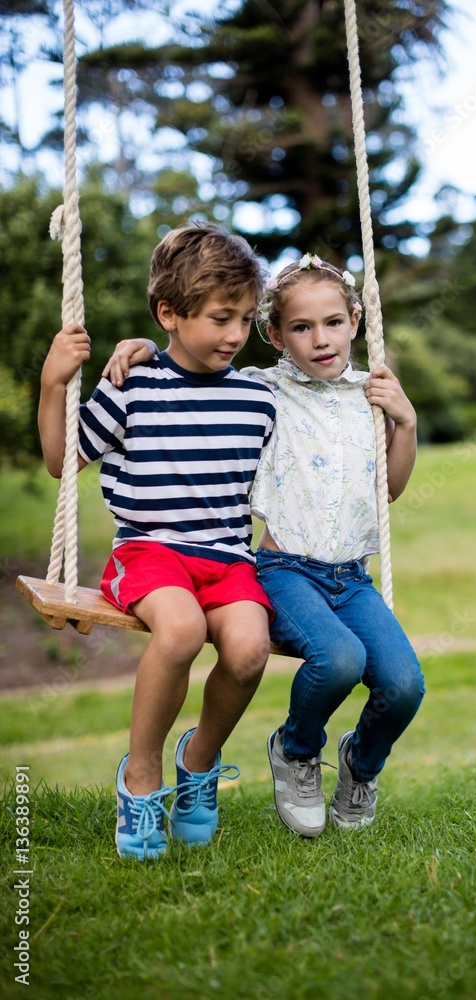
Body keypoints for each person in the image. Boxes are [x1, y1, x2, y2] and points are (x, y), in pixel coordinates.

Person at [105, 252, 425, 839]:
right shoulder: (261, 389)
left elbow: (391, 490)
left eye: (333, 323)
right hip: (283, 568)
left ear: (355, 320)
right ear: (274, 335)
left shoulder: (372, 395)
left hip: (352, 576)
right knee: (340, 661)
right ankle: (297, 752)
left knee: (405, 685)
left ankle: (361, 764)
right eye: (300, 328)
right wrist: (141, 347)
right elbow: (195, 369)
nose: (320, 340)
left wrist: (404, 424)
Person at [38, 223, 276, 860]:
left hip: (228, 559)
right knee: (180, 631)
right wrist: (52, 383)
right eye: (221, 318)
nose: (235, 335)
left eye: (246, 319)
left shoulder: (259, 397)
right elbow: (63, 461)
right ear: (169, 313)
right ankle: (140, 778)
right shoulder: (133, 386)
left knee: (250, 647)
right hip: (149, 552)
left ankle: (196, 765)